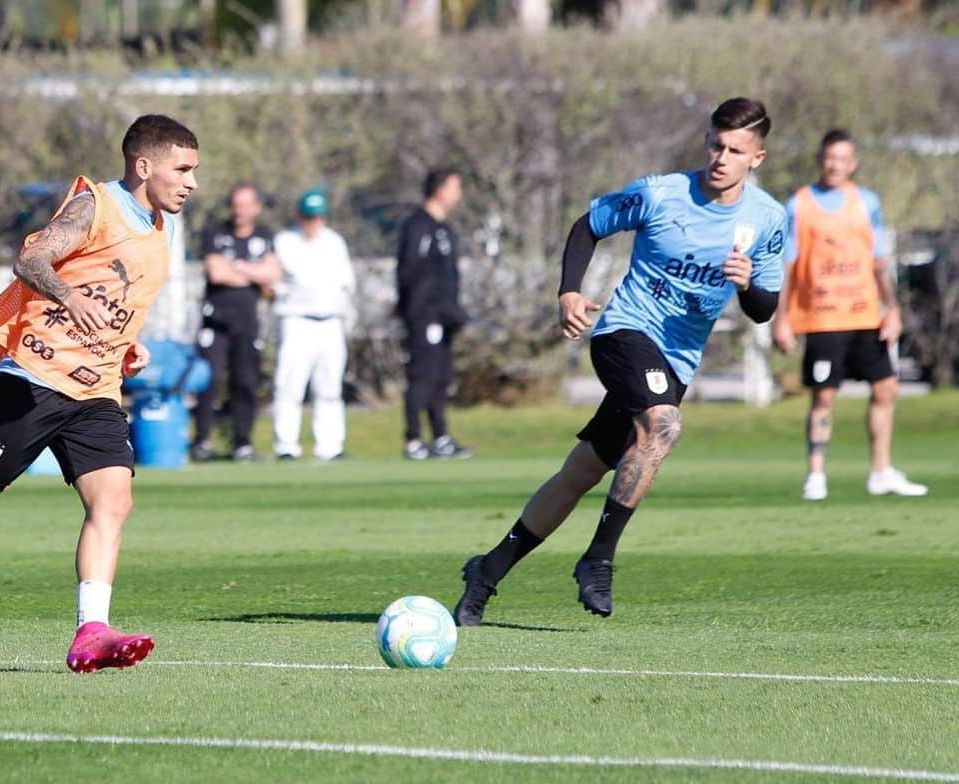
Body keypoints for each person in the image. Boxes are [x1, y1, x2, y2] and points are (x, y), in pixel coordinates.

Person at [0, 114, 200, 672]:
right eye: (183, 168)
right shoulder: (93, 207)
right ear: (144, 166)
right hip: (32, 382)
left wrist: (130, 344)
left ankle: (90, 631)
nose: (192, 181)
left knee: (113, 501)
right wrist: (69, 299)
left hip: (96, 390)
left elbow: (112, 294)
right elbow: (30, 260)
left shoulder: (158, 226)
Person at [453, 97, 786, 626]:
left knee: (581, 472)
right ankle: (598, 559)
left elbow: (764, 309)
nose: (720, 157)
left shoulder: (768, 219)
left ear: (757, 159)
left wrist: (747, 283)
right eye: (715, 144)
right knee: (663, 424)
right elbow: (589, 225)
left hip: (676, 360)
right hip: (623, 332)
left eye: (735, 150)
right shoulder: (661, 194)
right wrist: (568, 292)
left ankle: (486, 572)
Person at [772, 130, 927, 501]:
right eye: (829, 157)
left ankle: (881, 471)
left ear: (852, 163)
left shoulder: (866, 202)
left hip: (865, 313)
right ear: (820, 159)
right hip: (823, 316)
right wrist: (782, 318)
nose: (834, 165)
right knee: (824, 396)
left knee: (886, 387)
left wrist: (893, 309)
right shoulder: (800, 204)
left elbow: (879, 261)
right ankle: (816, 476)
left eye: (842, 159)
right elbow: (788, 266)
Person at [192, 182, 282, 462]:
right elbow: (216, 273)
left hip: (247, 322)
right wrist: (254, 273)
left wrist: (239, 267)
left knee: (245, 382)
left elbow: (273, 274)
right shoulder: (215, 233)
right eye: (236, 204)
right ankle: (202, 441)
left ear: (257, 208)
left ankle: (242, 442)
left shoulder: (265, 236)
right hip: (216, 321)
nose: (240, 211)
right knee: (209, 380)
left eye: (246, 205)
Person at [271, 189, 355, 461]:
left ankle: (330, 446)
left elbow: (345, 284)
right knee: (290, 385)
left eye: (318, 217)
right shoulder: (285, 241)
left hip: (330, 322)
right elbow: (287, 278)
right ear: (299, 216)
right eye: (309, 217)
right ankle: (286, 445)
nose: (314, 223)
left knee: (330, 388)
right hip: (297, 320)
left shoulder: (334, 243)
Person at [396, 168, 474, 461]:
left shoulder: (445, 229)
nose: (458, 193)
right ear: (439, 189)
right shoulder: (418, 227)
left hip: (444, 316)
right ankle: (413, 438)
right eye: (454, 187)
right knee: (422, 376)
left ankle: (440, 436)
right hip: (423, 315)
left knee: (441, 377)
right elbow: (409, 272)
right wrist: (411, 308)